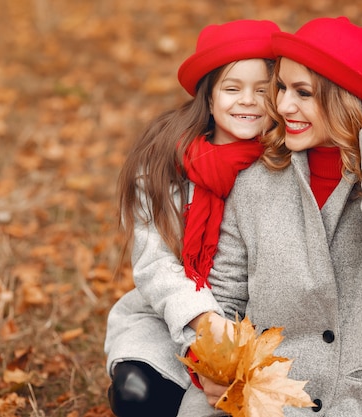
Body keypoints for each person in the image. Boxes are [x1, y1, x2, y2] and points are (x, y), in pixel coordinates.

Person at [176, 17, 362, 416]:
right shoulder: (256, 180)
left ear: (344, 97)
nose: (283, 105)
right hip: (256, 395)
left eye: (303, 92)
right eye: (282, 87)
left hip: (350, 401)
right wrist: (213, 366)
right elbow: (227, 295)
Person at [103, 19, 281, 417]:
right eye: (232, 88)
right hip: (175, 317)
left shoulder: (286, 166)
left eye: (262, 90)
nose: (248, 101)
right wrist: (202, 323)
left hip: (255, 326)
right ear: (211, 96)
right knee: (138, 393)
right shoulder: (165, 165)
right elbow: (156, 266)